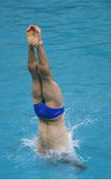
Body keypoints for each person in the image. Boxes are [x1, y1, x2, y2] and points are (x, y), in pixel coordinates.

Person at [26, 25, 85, 168]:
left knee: (38, 76)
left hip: (44, 114)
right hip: (48, 115)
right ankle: (35, 45)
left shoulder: (57, 153)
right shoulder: (65, 153)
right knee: (38, 76)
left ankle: (35, 46)